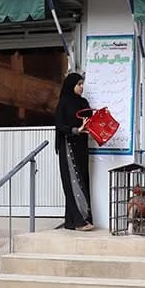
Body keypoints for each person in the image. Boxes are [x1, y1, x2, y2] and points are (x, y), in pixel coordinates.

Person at [53, 72, 96, 231]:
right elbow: (59, 125)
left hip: (82, 146)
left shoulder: (83, 102)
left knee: (82, 179)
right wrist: (76, 130)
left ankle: (71, 221)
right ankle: (79, 221)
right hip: (68, 145)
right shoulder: (64, 102)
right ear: (71, 85)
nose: (82, 87)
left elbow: (89, 121)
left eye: (82, 84)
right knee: (72, 181)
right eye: (79, 84)